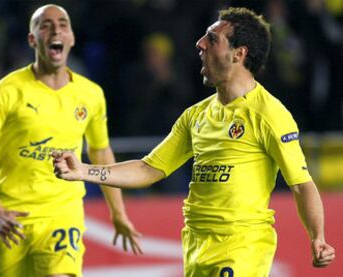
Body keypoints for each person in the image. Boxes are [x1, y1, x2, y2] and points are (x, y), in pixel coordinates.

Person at [53, 7, 335, 276]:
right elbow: (149, 168)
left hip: (241, 246)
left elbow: (300, 183)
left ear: (239, 54)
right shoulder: (196, 115)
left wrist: (317, 237)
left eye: (212, 39)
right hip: (196, 245)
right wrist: (83, 171)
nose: (200, 44)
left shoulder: (269, 114)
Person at [0, 4, 142, 277]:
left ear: (71, 37)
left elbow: (100, 153)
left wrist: (118, 213)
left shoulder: (90, 94)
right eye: (45, 24)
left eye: (62, 23)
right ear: (32, 39)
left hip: (62, 214)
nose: (56, 28)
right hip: (12, 220)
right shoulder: (5, 92)